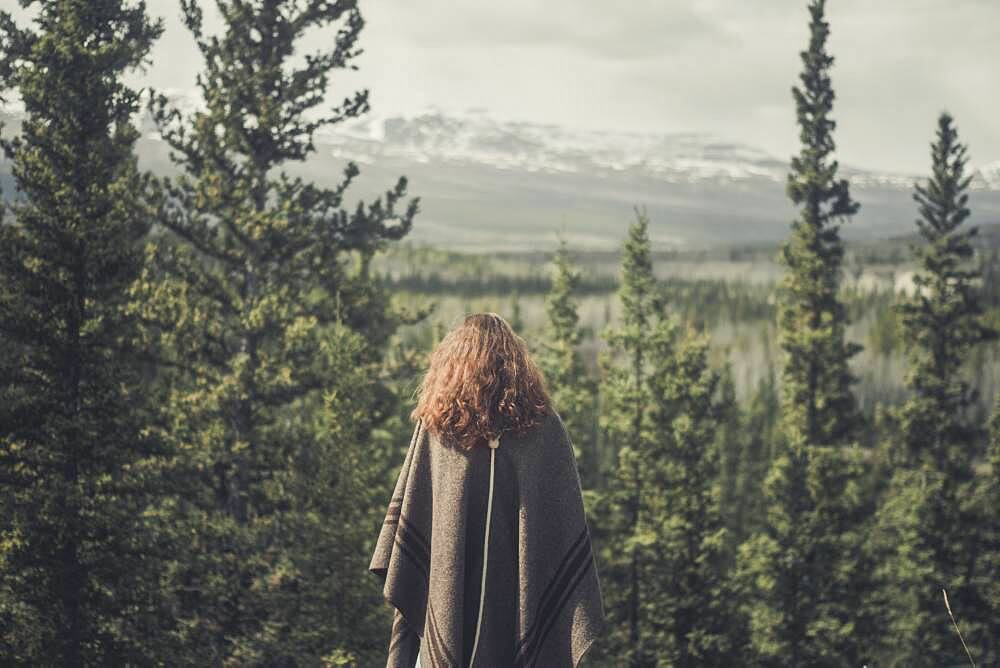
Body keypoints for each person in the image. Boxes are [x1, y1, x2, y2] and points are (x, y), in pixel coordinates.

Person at [369, 312, 606, 667]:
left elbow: (559, 526)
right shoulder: (440, 430)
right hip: (464, 607)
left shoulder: (446, 426)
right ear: (516, 365)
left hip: (508, 607)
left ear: (453, 364)